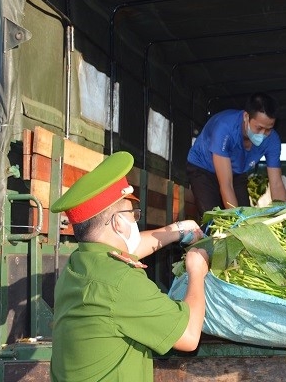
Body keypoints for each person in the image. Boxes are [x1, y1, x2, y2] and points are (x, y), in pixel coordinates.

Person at [50, 151, 209, 381]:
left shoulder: (80, 263)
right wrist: (197, 271)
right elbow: (189, 335)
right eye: (133, 214)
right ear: (117, 222)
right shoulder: (121, 282)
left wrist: (178, 230)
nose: (136, 219)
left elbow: (128, 250)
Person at [187, 92, 286, 216]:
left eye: (268, 129)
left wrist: (283, 216)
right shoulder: (224, 128)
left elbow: (276, 184)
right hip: (203, 169)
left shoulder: (273, 140)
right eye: (259, 128)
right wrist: (236, 222)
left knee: (246, 217)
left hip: (236, 173)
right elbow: (226, 185)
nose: (263, 134)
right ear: (246, 117)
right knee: (213, 219)